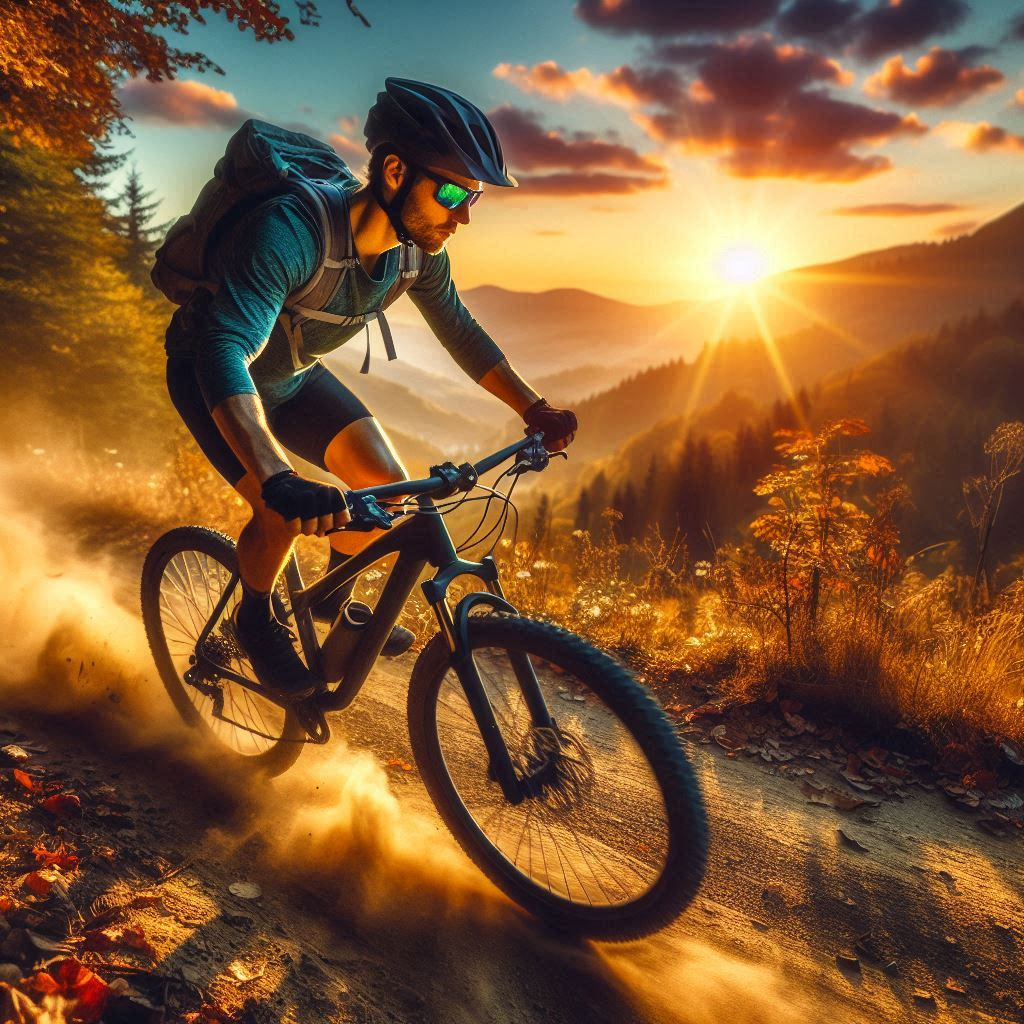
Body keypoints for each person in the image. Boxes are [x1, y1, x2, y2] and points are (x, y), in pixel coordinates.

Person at [162, 78, 578, 701]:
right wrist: (278, 476)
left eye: (475, 197)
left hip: (294, 377)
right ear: (392, 171)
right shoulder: (291, 233)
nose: (464, 214)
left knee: (387, 493)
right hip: (214, 375)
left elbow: (460, 331)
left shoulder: (416, 255)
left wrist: (534, 409)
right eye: (451, 191)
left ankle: (327, 604)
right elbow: (227, 348)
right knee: (279, 513)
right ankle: (255, 616)